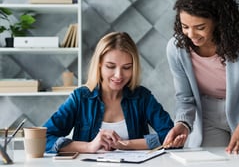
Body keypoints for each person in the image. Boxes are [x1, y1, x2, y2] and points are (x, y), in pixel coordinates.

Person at [163, 0, 239, 166]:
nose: (191, 34)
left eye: (200, 27)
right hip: (207, 117)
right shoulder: (176, 49)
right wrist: (182, 123)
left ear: (218, 21)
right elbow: (184, 98)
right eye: (185, 26)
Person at [43, 31, 174, 153]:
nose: (118, 75)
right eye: (110, 66)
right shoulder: (81, 97)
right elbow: (43, 139)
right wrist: (89, 146)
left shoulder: (142, 97)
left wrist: (126, 144)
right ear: (99, 64)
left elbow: (172, 137)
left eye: (127, 67)